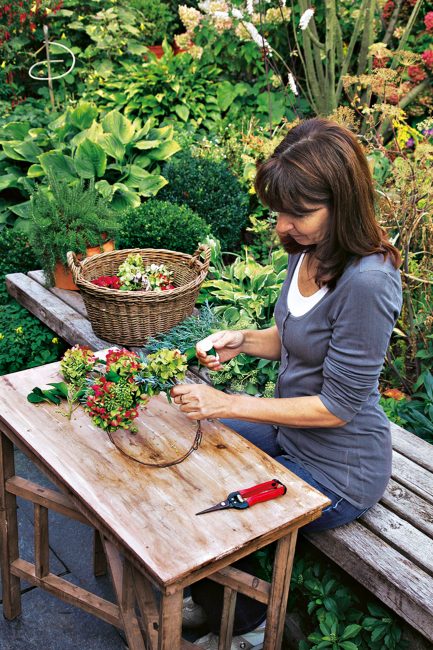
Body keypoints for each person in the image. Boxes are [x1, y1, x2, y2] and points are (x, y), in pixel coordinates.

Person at [171, 118, 402, 650]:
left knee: (215, 501)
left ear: (342, 202)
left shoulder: (367, 282)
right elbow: (293, 336)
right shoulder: (310, 248)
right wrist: (242, 339)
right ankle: (214, 602)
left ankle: (253, 627)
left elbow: (338, 407)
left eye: (299, 213)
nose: (283, 225)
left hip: (340, 465)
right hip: (293, 437)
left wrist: (227, 402)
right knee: (188, 454)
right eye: (280, 211)